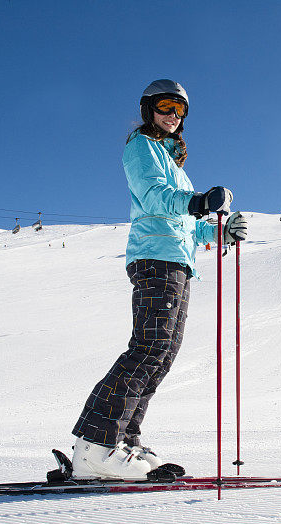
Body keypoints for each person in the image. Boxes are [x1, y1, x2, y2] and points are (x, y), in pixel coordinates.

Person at [70, 79, 248, 480]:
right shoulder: (141, 148)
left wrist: (220, 232)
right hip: (155, 259)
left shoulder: (177, 168)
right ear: (150, 107)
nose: (173, 115)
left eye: (180, 110)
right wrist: (198, 201)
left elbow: (187, 225)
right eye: (167, 106)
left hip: (179, 263)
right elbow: (154, 198)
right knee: (148, 348)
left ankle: (124, 441)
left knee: (162, 355)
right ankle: (95, 447)